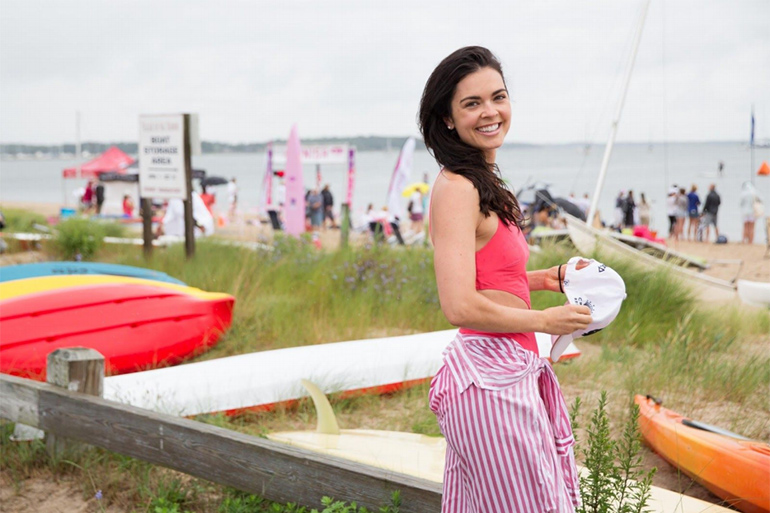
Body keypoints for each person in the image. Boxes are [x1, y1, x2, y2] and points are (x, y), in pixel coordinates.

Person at [419, 46, 590, 512]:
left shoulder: (482, 181)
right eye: (471, 103)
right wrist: (545, 321)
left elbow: (487, 274)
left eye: (498, 96)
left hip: (506, 370)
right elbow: (458, 306)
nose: (490, 111)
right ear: (448, 119)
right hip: (488, 378)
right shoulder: (457, 188)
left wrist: (544, 278)